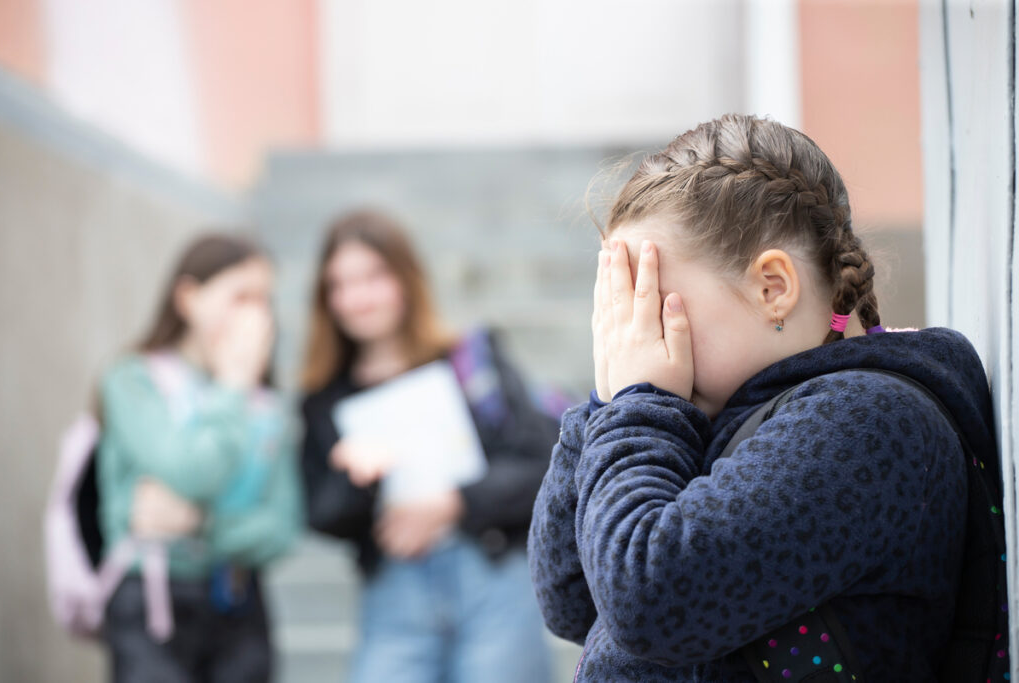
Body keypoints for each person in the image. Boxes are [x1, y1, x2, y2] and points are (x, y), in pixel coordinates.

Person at [528, 114, 996, 680]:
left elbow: (647, 600)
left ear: (772, 287)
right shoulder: (718, 412)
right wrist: (609, 405)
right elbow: (573, 596)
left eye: (653, 302)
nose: (636, 334)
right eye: (623, 309)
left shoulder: (867, 422)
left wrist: (638, 402)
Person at [299, 209, 558, 683]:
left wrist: (451, 504)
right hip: (395, 593)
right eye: (341, 284)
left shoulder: (469, 360)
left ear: (404, 276)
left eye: (373, 277)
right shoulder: (324, 397)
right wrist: (361, 480)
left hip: (491, 579)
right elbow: (320, 512)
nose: (358, 298)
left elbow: (541, 464)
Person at [97, 233, 303, 682]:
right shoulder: (134, 381)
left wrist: (202, 525)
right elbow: (192, 472)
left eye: (264, 300)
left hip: (237, 601)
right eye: (241, 297)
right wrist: (232, 383)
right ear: (188, 297)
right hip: (153, 601)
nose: (256, 314)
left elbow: (282, 528)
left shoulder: (267, 406)